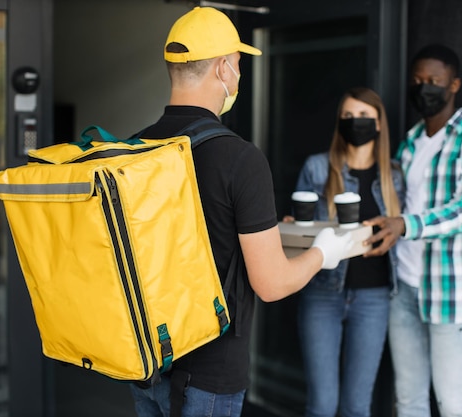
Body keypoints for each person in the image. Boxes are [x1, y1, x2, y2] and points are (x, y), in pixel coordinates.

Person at [128, 6, 354, 417]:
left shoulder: (134, 149)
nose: (238, 74)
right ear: (221, 70)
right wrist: (325, 251)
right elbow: (271, 284)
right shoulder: (239, 158)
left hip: (146, 362)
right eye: (237, 64)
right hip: (208, 377)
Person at [364, 44, 462, 417]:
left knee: (454, 404)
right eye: (417, 81)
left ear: (454, 84)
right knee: (408, 402)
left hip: (451, 289)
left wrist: (405, 224)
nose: (424, 88)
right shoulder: (409, 143)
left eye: (434, 81)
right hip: (403, 286)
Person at [284, 87, 404, 417]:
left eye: (365, 116)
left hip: (374, 299)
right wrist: (295, 226)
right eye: (348, 117)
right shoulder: (318, 168)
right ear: (339, 122)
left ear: (379, 124)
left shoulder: (395, 175)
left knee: (356, 406)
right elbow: (301, 228)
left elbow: (414, 222)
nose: (356, 123)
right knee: (322, 406)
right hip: (322, 294)